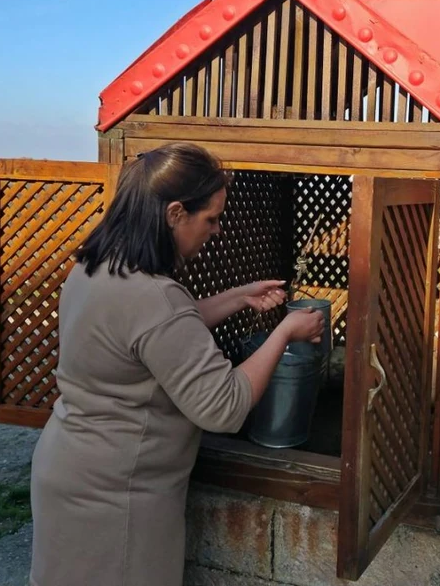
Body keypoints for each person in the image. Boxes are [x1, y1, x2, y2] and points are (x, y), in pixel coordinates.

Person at [29, 143, 324, 586]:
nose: (217, 230)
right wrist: (284, 332)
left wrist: (238, 296)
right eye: (211, 219)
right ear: (175, 214)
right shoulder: (154, 297)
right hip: (117, 498)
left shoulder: (96, 268)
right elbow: (224, 407)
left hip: (69, 468)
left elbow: (155, 335)